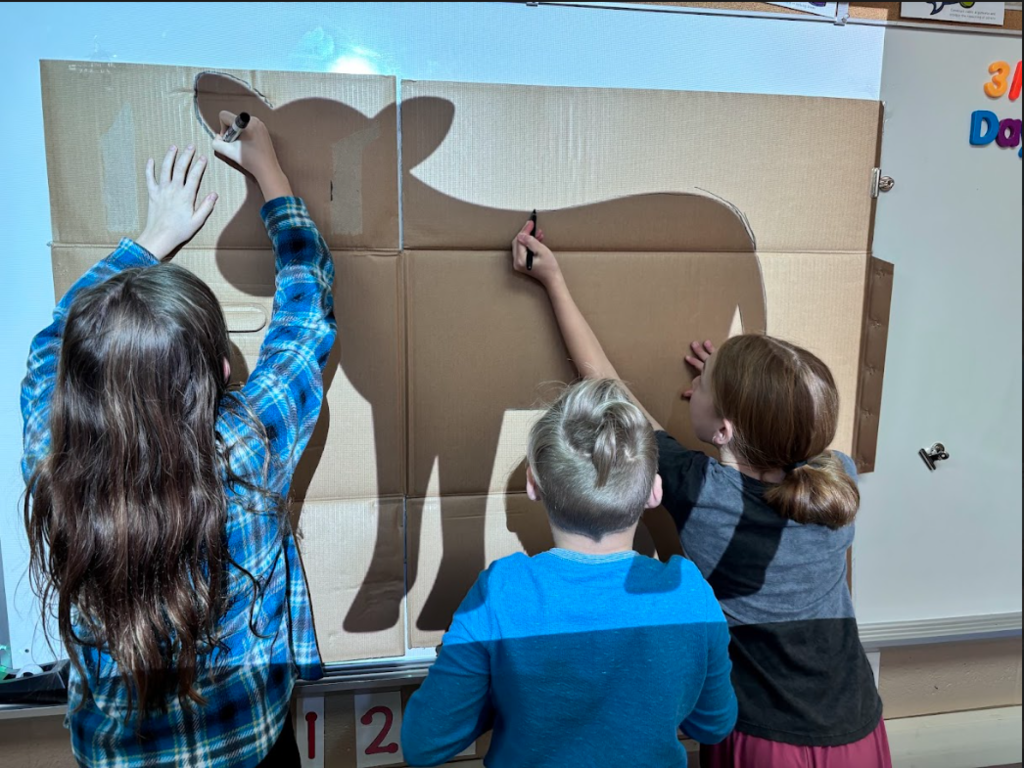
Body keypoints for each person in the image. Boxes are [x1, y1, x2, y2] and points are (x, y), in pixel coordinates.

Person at [510, 220, 891, 768]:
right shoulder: (838, 477)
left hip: (766, 740)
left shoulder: (700, 492)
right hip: (858, 726)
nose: (695, 384)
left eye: (703, 384)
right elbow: (787, 419)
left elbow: (605, 385)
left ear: (725, 431)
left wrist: (554, 282)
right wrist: (731, 395)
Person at [21, 111, 336, 768]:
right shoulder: (249, 449)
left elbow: (52, 345)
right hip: (248, 748)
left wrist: (152, 240)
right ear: (219, 373)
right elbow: (307, 311)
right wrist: (269, 172)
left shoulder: (52, 457)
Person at [401, 377, 737, 767]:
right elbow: (714, 725)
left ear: (533, 484)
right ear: (654, 492)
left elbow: (423, 742)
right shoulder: (689, 594)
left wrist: (501, 687)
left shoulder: (501, 593)